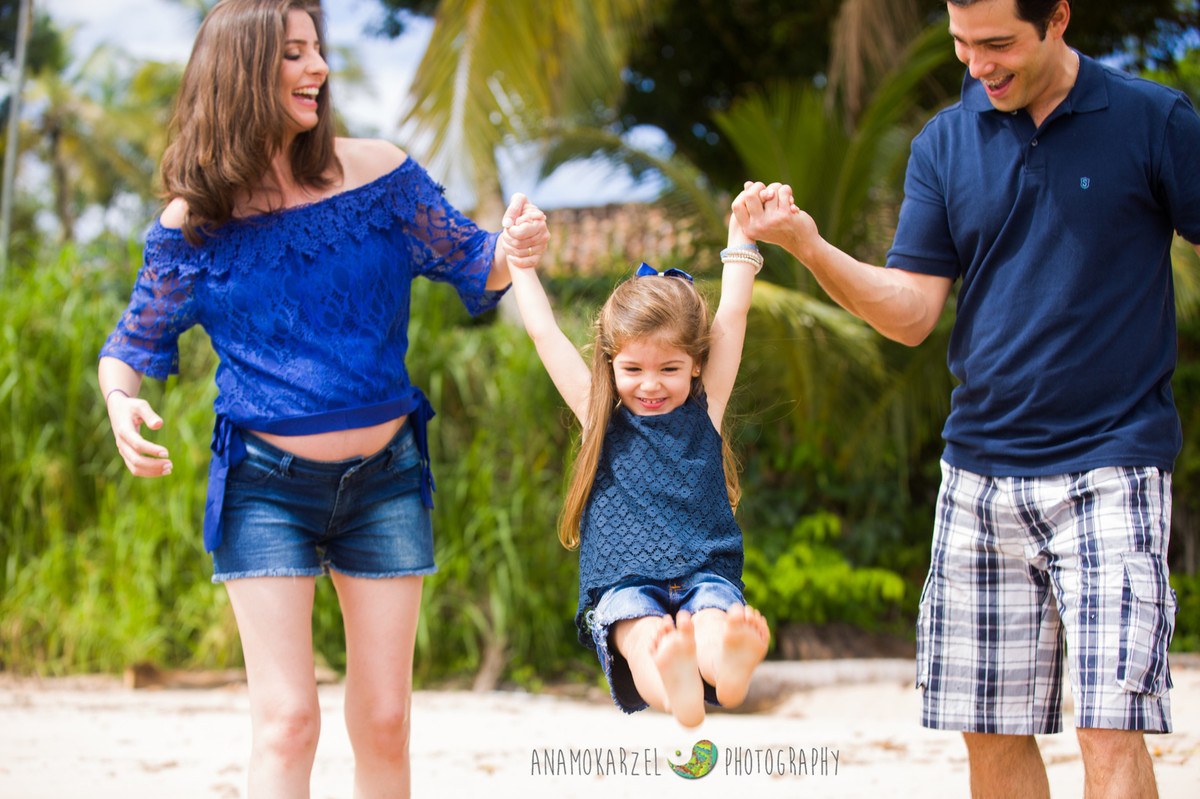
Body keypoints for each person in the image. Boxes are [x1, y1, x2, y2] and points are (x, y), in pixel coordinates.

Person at [735, 1, 1200, 797]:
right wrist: (808, 247)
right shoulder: (944, 143)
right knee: (990, 736)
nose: (977, 66)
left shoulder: (1152, 118)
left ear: (1057, 18)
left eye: (997, 45)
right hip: (979, 478)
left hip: (1114, 465)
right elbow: (913, 313)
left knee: (1110, 728)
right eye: (960, 44)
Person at [96, 1, 549, 796]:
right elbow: (132, 343)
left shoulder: (379, 174)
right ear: (242, 70)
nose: (319, 70)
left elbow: (480, 262)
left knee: (385, 720)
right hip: (265, 488)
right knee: (287, 721)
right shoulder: (195, 222)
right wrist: (120, 399)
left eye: (318, 51)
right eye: (294, 55)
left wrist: (516, 246)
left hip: (386, 480)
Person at [503, 188, 771, 728]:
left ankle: (726, 670)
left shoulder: (705, 409)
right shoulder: (598, 414)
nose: (651, 385)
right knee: (646, 637)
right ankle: (682, 691)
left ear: (696, 364)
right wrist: (521, 262)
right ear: (610, 362)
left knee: (710, 624)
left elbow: (735, 313)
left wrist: (742, 235)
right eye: (633, 370)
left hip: (704, 569)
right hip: (624, 582)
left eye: (669, 369)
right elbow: (543, 331)